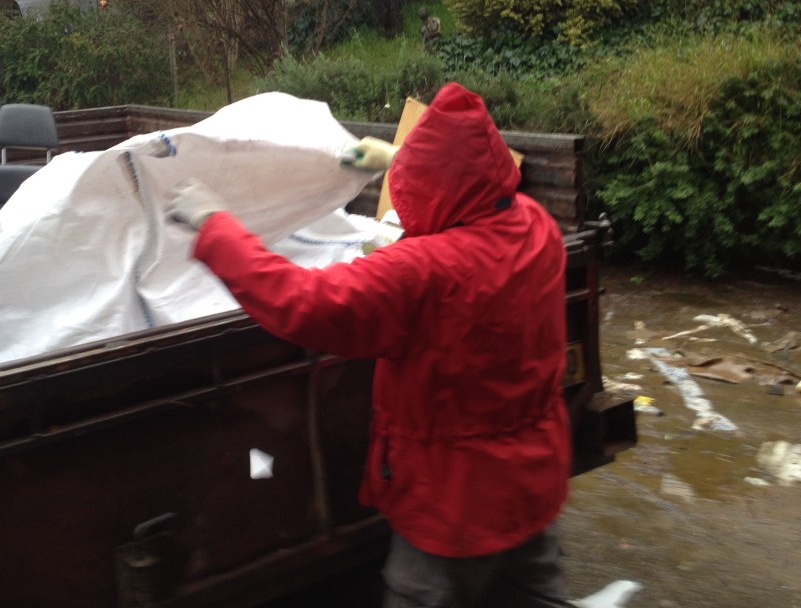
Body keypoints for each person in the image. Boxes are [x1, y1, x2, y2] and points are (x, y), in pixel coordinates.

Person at [166, 82, 572, 607]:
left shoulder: (421, 271)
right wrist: (398, 158)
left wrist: (214, 225)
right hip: (534, 482)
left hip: (452, 506)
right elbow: (464, 186)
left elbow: (303, 300)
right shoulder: (536, 225)